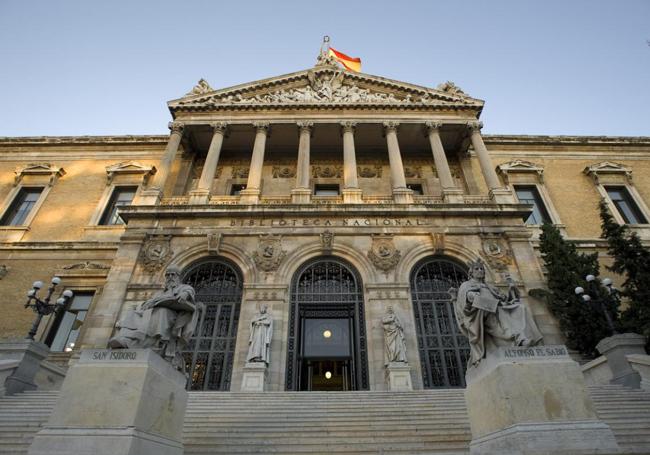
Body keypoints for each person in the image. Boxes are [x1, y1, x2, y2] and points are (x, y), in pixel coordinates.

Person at [108, 265, 200, 370]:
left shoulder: (183, 288)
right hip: (151, 313)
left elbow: (189, 292)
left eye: (173, 274)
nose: (170, 277)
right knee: (133, 313)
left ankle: (154, 342)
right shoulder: (160, 292)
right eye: (168, 275)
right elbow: (148, 303)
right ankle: (126, 339)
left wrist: (184, 294)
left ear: (178, 277)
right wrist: (148, 303)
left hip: (171, 315)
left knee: (161, 312)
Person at [454, 260, 542, 366]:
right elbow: (466, 297)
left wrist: (511, 289)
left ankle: (526, 339)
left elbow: (504, 299)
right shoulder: (466, 284)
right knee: (497, 310)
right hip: (479, 313)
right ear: (471, 273)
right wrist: (473, 296)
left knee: (520, 308)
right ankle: (519, 339)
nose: (480, 271)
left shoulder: (489, 286)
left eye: (482, 269)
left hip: (497, 307)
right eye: (476, 269)